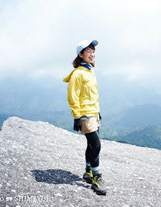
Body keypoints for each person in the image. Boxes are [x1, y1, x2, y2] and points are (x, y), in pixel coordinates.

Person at [63, 40, 106, 195]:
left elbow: (91, 95)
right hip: (85, 115)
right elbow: (72, 96)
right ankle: (97, 177)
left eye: (93, 51)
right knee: (96, 145)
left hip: (94, 113)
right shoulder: (78, 73)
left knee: (91, 145)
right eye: (88, 51)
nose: (92, 54)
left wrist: (97, 111)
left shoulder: (89, 70)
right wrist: (77, 116)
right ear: (80, 54)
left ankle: (88, 172)